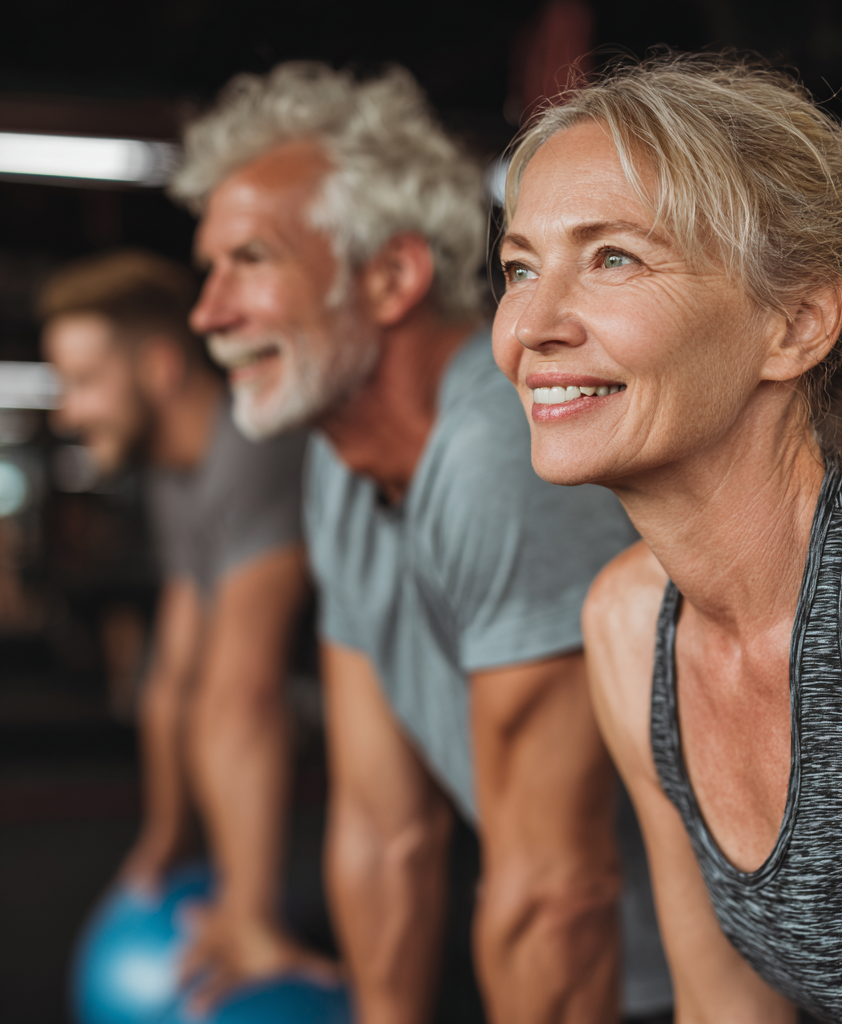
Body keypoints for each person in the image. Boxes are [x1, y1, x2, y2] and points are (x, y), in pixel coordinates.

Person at [492, 52, 842, 1024]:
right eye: (520, 267)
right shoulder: (628, 623)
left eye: (612, 256)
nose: (529, 323)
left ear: (795, 321)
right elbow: (720, 1007)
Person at [170, 63, 674, 1024]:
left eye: (251, 261)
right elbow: (383, 825)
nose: (209, 313)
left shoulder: (499, 454)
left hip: (676, 986)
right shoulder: (342, 459)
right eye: (209, 269)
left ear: (392, 276)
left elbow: (559, 895)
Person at [40, 251, 332, 1006]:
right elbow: (174, 679)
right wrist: (167, 840)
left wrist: (249, 909)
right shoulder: (179, 474)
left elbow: (240, 691)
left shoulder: (251, 449)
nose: (67, 413)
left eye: (83, 382)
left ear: (161, 367)